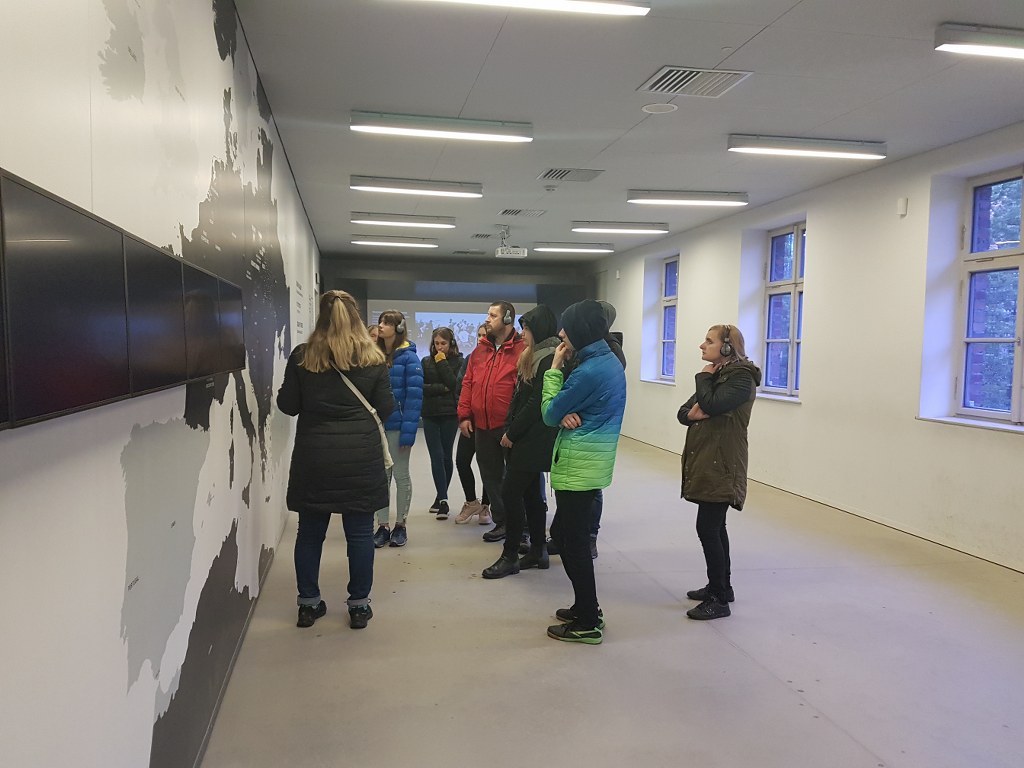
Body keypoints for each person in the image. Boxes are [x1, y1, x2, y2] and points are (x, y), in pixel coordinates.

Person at [276, 290, 393, 630]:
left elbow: (288, 405)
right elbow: (386, 407)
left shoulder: (303, 356)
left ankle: (308, 604)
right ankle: (359, 606)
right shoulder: (372, 357)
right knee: (360, 535)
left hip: (314, 456)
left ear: (321, 317)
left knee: (309, 534)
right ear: (356, 317)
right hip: (360, 457)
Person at [541, 300, 626, 644]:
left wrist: (554, 369)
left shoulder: (589, 371)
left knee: (572, 543)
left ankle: (588, 621)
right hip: (590, 463)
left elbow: (549, 412)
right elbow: (568, 408)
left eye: (567, 327)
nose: (561, 334)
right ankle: (585, 606)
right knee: (565, 536)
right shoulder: (604, 360)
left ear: (581, 330)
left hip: (579, 465)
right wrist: (565, 409)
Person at [676, 324, 760, 620]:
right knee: (715, 527)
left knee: (708, 527)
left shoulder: (740, 378)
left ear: (726, 347)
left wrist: (703, 379)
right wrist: (695, 410)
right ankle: (721, 587)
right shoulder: (719, 375)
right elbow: (684, 412)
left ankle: (718, 599)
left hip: (722, 463)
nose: (702, 346)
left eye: (709, 341)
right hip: (710, 460)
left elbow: (710, 403)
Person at [482, 306, 560, 579]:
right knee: (531, 495)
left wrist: (511, 433)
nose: (522, 333)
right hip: (528, 436)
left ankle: (510, 555)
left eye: (526, 328)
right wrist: (511, 426)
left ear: (538, 329)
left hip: (534, 438)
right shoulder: (533, 354)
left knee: (510, 492)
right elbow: (520, 397)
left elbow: (535, 402)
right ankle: (538, 549)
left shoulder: (549, 357)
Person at [457, 302, 525, 542]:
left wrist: (517, 425)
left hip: (509, 427)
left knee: (516, 478)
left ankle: (522, 526)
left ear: (507, 319)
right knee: (491, 477)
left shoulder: (522, 350)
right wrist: (465, 415)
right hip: (482, 426)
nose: (487, 319)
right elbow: (468, 383)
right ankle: (503, 522)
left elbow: (524, 390)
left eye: (493, 315)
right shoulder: (480, 351)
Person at [372, 310, 424, 548]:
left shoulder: (410, 358)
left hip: (398, 426)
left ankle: (400, 525)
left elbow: (414, 399)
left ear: (399, 327)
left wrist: (408, 432)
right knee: (381, 478)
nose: (381, 326)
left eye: (386, 323)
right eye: (380, 322)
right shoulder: (374, 355)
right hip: (376, 426)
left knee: (400, 475)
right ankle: (382, 526)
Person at [420, 327, 463, 520]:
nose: (439, 347)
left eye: (443, 343)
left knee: (446, 456)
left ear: (451, 343)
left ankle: (440, 495)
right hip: (429, 414)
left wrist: (442, 362)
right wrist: (441, 388)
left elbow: (454, 384)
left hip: (449, 414)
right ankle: (444, 500)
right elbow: (422, 386)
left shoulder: (459, 361)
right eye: (436, 343)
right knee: (435, 456)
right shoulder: (425, 361)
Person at [453, 323, 491, 525]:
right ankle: (471, 502)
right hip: (470, 421)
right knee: (462, 461)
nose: (481, 338)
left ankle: (486, 505)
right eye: (479, 335)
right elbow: (461, 389)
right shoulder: (471, 358)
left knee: (487, 465)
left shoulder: (498, 358)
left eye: (485, 335)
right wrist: (464, 416)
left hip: (490, 423)